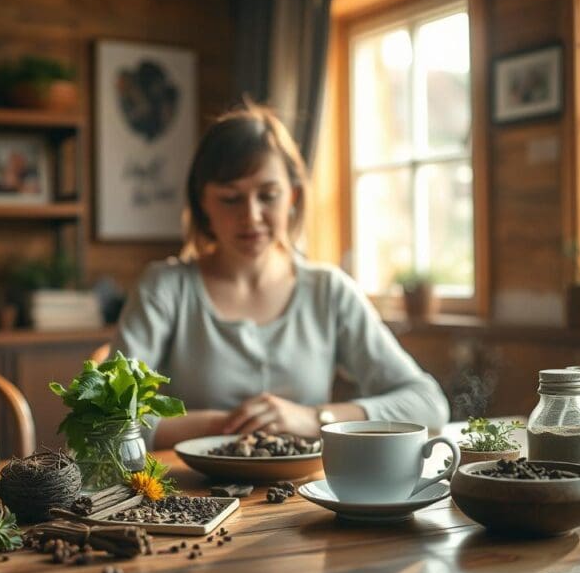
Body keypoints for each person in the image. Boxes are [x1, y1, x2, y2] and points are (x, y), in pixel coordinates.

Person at [111, 103, 449, 449]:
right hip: (189, 496)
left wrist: (314, 418)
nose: (252, 216)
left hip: (307, 494)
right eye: (230, 199)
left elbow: (428, 404)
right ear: (203, 205)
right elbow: (105, 417)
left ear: (293, 196)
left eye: (268, 196)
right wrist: (228, 425)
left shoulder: (329, 291)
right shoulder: (164, 288)